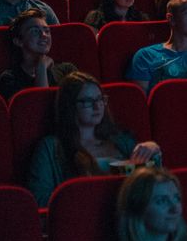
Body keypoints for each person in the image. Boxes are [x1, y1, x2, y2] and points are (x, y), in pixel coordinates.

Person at [26, 71, 161, 204]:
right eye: (87, 101)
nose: (97, 107)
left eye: (100, 99)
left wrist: (153, 150)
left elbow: (153, 182)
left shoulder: (121, 140)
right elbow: (39, 199)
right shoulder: (50, 147)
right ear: (70, 106)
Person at [0, 9, 76, 99]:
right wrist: (41, 66)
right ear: (19, 41)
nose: (44, 35)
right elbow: (39, 106)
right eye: (35, 31)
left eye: (47, 31)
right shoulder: (10, 78)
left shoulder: (66, 70)